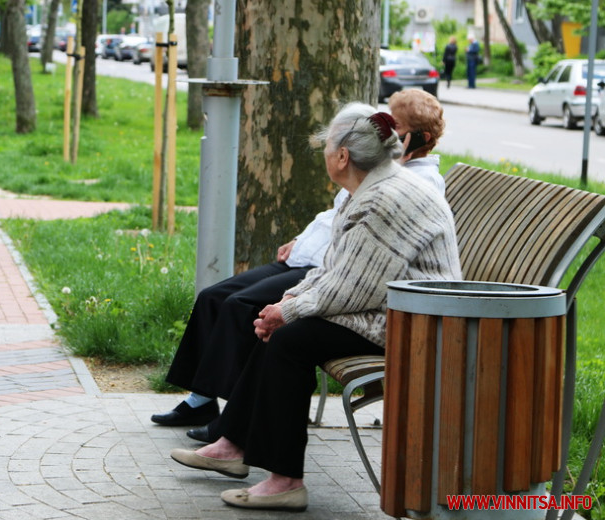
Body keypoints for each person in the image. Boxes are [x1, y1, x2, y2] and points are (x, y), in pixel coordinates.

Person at [169, 102, 462, 512]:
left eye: (327, 145)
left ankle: (284, 479)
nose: (324, 151)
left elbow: (352, 290)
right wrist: (289, 300)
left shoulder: (385, 199)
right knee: (281, 329)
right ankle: (234, 446)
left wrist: (287, 312)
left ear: (343, 156)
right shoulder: (372, 187)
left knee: (289, 340)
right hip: (391, 305)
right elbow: (335, 269)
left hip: (415, 323)